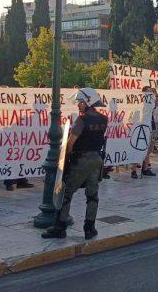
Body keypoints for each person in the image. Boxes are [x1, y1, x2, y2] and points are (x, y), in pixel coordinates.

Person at [42, 88, 107, 240]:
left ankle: (60, 227)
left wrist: (65, 159)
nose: (78, 105)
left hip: (82, 160)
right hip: (97, 160)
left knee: (65, 193)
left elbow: (70, 143)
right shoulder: (103, 119)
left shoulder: (82, 120)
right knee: (92, 195)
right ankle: (90, 228)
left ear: (88, 101)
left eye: (80, 102)